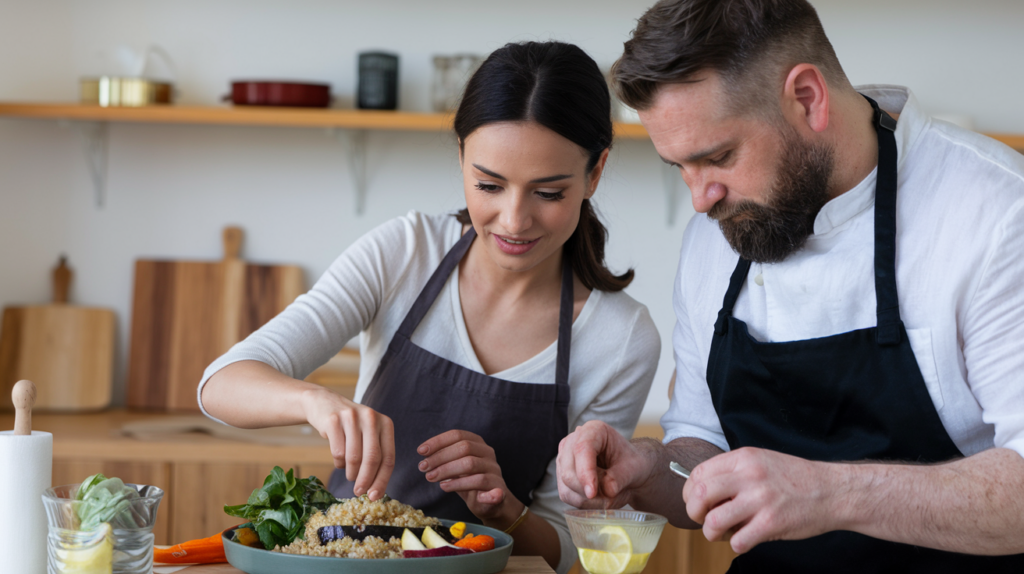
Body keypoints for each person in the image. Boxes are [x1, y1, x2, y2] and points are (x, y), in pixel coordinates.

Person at [556, 1, 1024, 572]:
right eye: (678, 167)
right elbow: (700, 452)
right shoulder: (721, 230)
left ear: (807, 98)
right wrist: (647, 467)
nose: (700, 199)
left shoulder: (997, 215)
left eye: (718, 156)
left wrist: (831, 494)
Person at [199, 41, 660, 573]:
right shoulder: (404, 253)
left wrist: (502, 506)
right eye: (488, 184)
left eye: (548, 193)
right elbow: (220, 384)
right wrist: (315, 403)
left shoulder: (622, 339)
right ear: (461, 156)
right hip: (341, 562)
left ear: (595, 172)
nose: (513, 220)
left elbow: (566, 549)